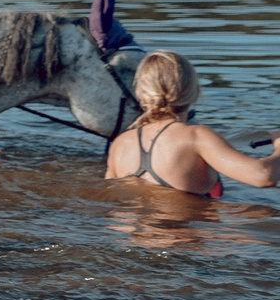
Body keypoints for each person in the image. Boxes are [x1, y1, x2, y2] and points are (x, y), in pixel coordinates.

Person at [104, 50, 278, 199]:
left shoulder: (120, 144)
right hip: (188, 235)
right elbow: (263, 176)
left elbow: (110, 199)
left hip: (130, 238)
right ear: (195, 91)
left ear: (141, 94)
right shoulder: (196, 136)